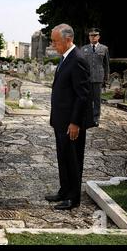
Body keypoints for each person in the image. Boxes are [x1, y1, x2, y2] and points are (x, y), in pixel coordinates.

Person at [46, 24, 93, 210]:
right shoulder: (66, 58)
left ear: (67, 39)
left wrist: (75, 122)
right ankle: (64, 191)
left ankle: (73, 198)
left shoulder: (77, 59)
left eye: (55, 41)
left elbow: (82, 95)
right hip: (61, 120)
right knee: (63, 157)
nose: (53, 45)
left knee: (73, 159)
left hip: (71, 123)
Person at [81, 28, 110, 126]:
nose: (93, 37)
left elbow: (106, 65)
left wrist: (106, 78)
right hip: (87, 78)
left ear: (99, 37)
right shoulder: (84, 48)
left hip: (98, 78)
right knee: (87, 99)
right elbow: (81, 65)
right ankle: (87, 117)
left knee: (97, 100)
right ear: (89, 37)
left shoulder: (104, 48)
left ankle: (96, 118)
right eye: (91, 35)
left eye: (95, 35)